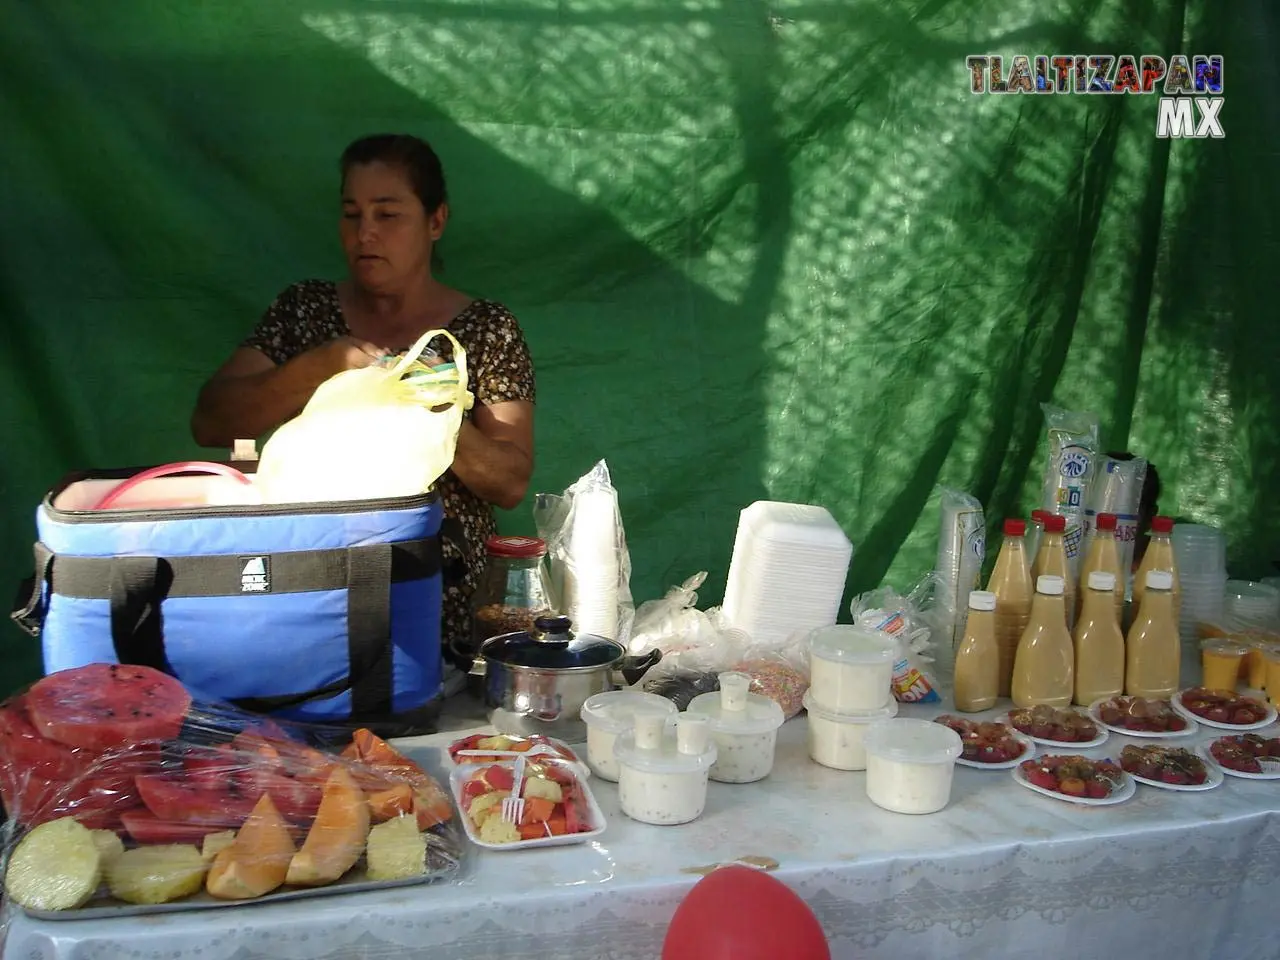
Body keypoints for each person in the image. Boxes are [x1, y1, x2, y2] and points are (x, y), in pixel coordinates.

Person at [191, 134, 536, 675]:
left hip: (435, 603)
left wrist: (434, 415)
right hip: (307, 586)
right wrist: (319, 367)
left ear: (436, 220)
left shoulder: (486, 330)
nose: (365, 233)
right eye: (351, 214)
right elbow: (212, 420)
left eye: (388, 213)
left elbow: (510, 481)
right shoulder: (304, 313)